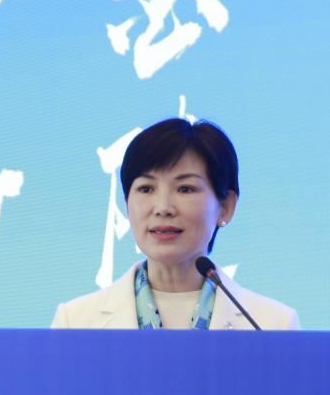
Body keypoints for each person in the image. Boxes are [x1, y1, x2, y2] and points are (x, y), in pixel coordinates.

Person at [52, 118, 299, 330]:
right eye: (146, 189)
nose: (163, 208)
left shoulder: (272, 325)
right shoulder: (75, 322)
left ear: (225, 206)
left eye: (185, 189)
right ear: (127, 203)